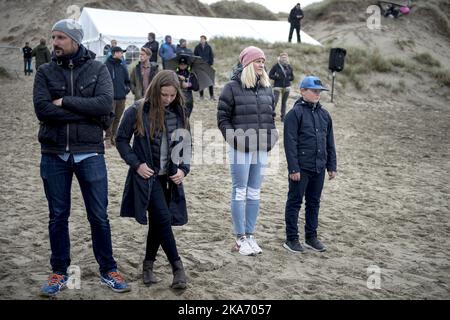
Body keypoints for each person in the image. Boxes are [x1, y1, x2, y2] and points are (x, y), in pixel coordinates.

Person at [33, 19, 129, 297]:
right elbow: (42, 110)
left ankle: (108, 269)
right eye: (53, 37)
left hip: (90, 154)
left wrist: (64, 102)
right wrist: (87, 114)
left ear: (75, 40)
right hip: (53, 154)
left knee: (98, 216)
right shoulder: (44, 72)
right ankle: (59, 272)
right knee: (57, 216)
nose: (55, 43)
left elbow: (104, 107)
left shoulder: (98, 68)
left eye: (60, 37)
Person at [115, 70, 191, 290]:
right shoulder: (137, 110)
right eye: (163, 95)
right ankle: (178, 268)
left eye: (172, 95)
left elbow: (186, 145)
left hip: (170, 178)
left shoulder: (180, 112)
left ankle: (147, 266)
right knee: (164, 219)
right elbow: (120, 140)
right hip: (147, 178)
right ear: (155, 89)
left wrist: (184, 169)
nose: (168, 99)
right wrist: (137, 164)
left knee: (159, 223)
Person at [217, 46, 278, 256]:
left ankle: (251, 235)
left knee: (254, 192)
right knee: (240, 191)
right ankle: (240, 237)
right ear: (247, 63)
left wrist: (272, 137)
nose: (262, 64)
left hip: (261, 148)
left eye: (263, 61)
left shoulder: (268, 88)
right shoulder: (231, 87)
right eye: (258, 61)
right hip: (240, 148)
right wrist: (236, 140)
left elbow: (272, 116)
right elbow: (222, 119)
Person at [282, 76, 337, 254]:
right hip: (301, 168)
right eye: (314, 91)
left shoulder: (324, 115)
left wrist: (331, 166)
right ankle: (291, 239)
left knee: (314, 203)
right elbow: (290, 144)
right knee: (295, 202)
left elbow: (330, 142)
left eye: (319, 91)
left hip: (319, 167)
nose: (317, 94)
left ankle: (311, 237)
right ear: (302, 91)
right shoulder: (294, 114)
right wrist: (293, 168)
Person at [104, 46, 131, 146]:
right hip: (110, 97)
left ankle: (113, 137)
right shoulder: (106, 65)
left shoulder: (122, 65)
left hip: (121, 97)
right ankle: (107, 138)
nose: (122, 54)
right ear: (114, 53)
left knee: (118, 118)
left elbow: (127, 81)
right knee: (109, 118)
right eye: (120, 52)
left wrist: (126, 90)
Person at [269, 52, 295, 122]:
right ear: (279, 58)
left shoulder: (289, 67)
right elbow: (270, 75)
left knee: (284, 103)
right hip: (277, 87)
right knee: (275, 101)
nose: (284, 59)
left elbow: (292, 77)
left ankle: (283, 117)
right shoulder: (276, 66)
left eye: (285, 57)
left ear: (287, 58)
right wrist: (276, 77)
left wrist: (289, 78)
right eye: (282, 57)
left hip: (287, 87)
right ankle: (271, 115)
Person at [194, 35, 215, 100]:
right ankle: (201, 96)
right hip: (200, 66)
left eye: (203, 39)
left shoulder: (208, 47)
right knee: (201, 81)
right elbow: (195, 56)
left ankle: (211, 96)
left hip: (207, 66)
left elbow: (211, 56)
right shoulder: (197, 47)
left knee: (210, 81)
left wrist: (210, 64)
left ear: (205, 40)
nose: (201, 40)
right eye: (201, 39)